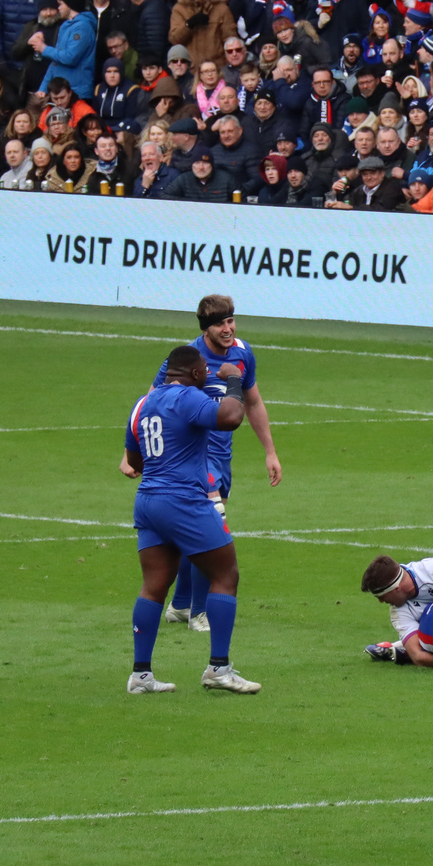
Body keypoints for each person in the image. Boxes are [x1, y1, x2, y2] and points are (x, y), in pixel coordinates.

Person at [121, 345, 260, 695]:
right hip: (184, 501)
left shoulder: (142, 403)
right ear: (196, 374)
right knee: (225, 574)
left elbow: (134, 462)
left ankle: (140, 676)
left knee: (154, 584)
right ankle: (219, 669)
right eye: (205, 374)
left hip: (148, 501)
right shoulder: (186, 398)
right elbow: (230, 418)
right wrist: (233, 381)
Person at [152, 295, 282, 633]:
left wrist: (270, 451)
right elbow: (152, 400)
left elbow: (252, 402)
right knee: (209, 529)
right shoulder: (187, 360)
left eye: (231, 321)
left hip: (221, 456)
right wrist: (132, 450)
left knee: (195, 532)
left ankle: (180, 605)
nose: (228, 329)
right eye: (220, 324)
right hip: (190, 457)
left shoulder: (242, 352)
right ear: (205, 329)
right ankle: (199, 612)